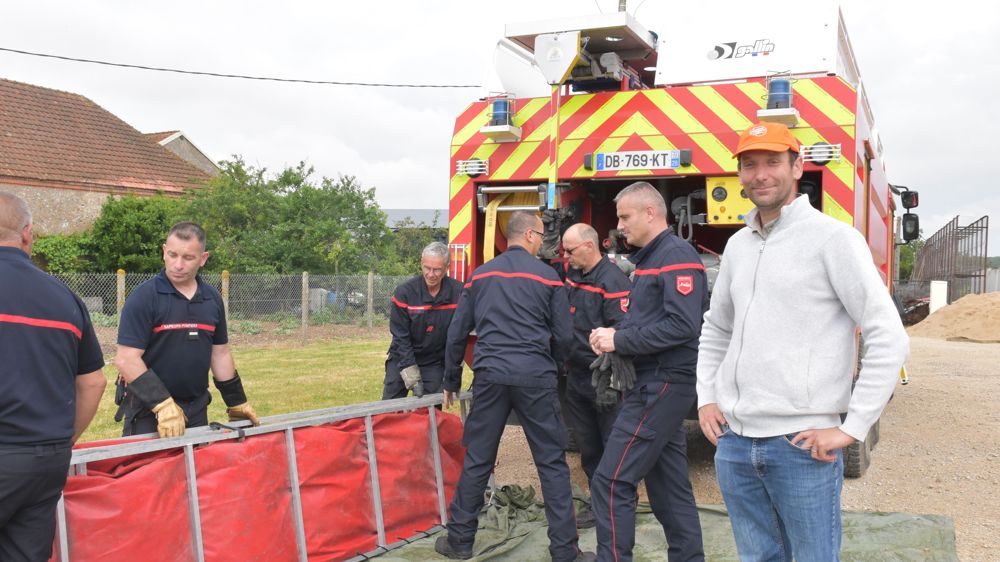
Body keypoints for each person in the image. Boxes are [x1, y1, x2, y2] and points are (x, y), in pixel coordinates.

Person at [696, 121, 910, 560]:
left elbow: (886, 333)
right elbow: (717, 328)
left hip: (799, 445)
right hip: (734, 444)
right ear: (738, 174)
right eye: (750, 164)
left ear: (797, 167)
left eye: (773, 162)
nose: (760, 174)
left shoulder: (833, 240)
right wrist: (706, 397)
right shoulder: (737, 245)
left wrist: (853, 426)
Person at [436, 211, 593, 562]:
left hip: (491, 376)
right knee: (551, 463)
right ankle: (566, 552)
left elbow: (457, 332)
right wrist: (554, 367)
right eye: (542, 235)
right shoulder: (549, 277)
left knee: (478, 459)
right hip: (535, 377)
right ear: (532, 236)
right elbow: (564, 336)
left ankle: (459, 542)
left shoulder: (479, 276)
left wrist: (451, 378)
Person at [589, 182, 707, 561]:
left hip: (663, 384)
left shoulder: (675, 255)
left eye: (625, 216)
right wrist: (616, 334)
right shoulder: (651, 259)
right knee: (668, 489)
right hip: (656, 382)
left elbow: (682, 326)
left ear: (651, 213)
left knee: (609, 482)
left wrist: (619, 342)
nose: (620, 225)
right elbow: (653, 321)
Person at [0, 192, 106, 560]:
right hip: (46, 459)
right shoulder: (65, 298)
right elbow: (94, 381)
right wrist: (61, 440)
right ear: (27, 234)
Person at [115, 222, 260, 438]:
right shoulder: (144, 297)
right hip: (148, 412)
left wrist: (236, 401)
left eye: (188, 258)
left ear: (203, 259)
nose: (178, 265)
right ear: (164, 251)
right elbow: (126, 359)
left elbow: (219, 353)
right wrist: (162, 405)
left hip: (197, 409)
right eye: (172, 255)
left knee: (195, 471)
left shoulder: (212, 299)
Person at [559, 223, 631, 483]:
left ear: (589, 246)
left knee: (612, 446)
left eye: (570, 251)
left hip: (603, 379)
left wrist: (611, 382)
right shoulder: (574, 272)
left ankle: (618, 501)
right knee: (588, 448)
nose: (566, 256)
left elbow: (622, 331)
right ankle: (598, 499)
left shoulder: (613, 281)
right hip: (576, 376)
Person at [383, 241, 462, 399]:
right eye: (427, 268)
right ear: (421, 263)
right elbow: (400, 336)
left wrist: (452, 375)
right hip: (402, 356)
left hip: (434, 361)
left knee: (430, 412)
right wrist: (410, 372)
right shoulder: (404, 293)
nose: (431, 274)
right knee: (389, 411)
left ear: (447, 267)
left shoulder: (459, 293)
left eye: (437, 270)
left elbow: (459, 337)